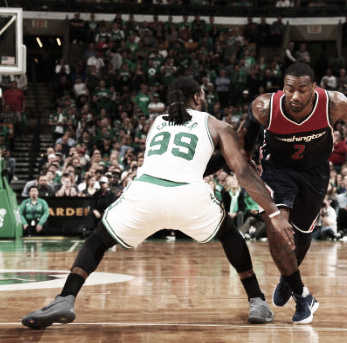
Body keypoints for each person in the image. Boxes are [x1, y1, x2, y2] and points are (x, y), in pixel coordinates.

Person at [21, 77, 292, 329]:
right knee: (230, 234)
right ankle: (256, 301)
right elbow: (242, 172)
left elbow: (183, 165)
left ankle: (66, 298)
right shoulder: (217, 125)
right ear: (197, 97)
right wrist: (272, 210)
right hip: (189, 198)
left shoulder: (157, 122)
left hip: (145, 194)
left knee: (98, 240)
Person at [243, 63, 347, 324]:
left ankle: (288, 278)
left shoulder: (333, 103)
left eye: (302, 90)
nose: (295, 96)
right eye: (289, 89)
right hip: (276, 169)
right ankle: (303, 296)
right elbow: (243, 146)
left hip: (314, 172)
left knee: (302, 236)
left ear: (314, 89)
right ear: (283, 88)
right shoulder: (264, 107)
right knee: (276, 223)